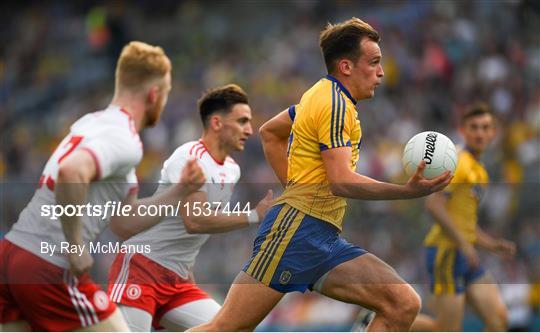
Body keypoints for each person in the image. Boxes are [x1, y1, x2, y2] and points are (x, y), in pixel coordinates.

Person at [189, 17, 452, 332]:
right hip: (296, 233)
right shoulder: (333, 104)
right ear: (346, 66)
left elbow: (269, 133)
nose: (381, 72)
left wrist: (298, 187)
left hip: (322, 237)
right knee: (225, 329)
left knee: (402, 303)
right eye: (374, 62)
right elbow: (341, 181)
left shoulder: (321, 95)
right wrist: (407, 191)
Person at [0, 41, 205, 331]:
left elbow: (123, 222)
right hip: (49, 263)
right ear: (154, 94)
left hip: (12, 254)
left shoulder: (91, 123)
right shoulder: (123, 139)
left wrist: (178, 192)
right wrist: (74, 245)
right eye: (166, 94)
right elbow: (71, 172)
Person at [107, 84, 274, 331]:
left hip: (178, 279)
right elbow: (194, 221)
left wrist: (189, 276)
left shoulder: (231, 169)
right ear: (217, 123)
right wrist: (252, 216)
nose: (249, 130)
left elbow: (190, 236)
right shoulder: (189, 157)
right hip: (141, 270)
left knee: (233, 327)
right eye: (241, 121)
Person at [410, 103, 517, 331]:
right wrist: (464, 245)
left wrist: (492, 244)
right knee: (446, 330)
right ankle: (380, 322)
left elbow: (465, 222)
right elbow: (434, 205)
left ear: (493, 133)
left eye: (485, 127)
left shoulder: (479, 170)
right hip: (445, 252)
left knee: (499, 321)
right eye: (474, 127)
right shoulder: (458, 162)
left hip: (465, 254)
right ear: (463, 130)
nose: (480, 133)